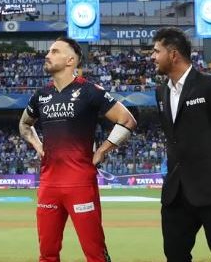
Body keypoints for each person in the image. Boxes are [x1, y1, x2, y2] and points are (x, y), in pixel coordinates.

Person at [18, 37, 137, 262]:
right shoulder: (41, 95)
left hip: (81, 183)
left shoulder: (90, 91)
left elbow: (127, 120)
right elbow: (24, 124)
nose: (47, 55)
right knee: (47, 254)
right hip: (48, 184)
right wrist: (37, 145)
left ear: (70, 60)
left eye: (54, 51)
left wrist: (102, 151)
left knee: (95, 254)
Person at [151, 27, 211, 261]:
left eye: (156, 51)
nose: (152, 57)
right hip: (176, 192)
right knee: (174, 254)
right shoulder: (161, 92)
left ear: (173, 54)